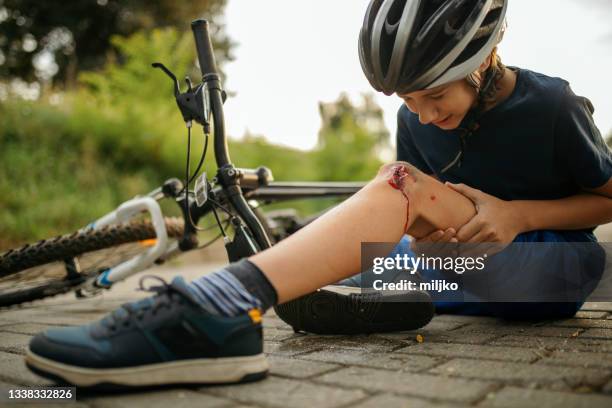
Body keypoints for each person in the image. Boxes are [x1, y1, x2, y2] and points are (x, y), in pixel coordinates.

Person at [25, 0, 612, 388]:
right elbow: (414, 212)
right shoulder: (417, 121)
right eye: (407, 102)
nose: (423, 117)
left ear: (482, 63)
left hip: (552, 266)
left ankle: (215, 307)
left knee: (397, 184)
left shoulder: (553, 106)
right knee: (354, 264)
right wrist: (418, 232)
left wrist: (515, 215)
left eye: (435, 99)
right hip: (459, 267)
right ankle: (363, 296)